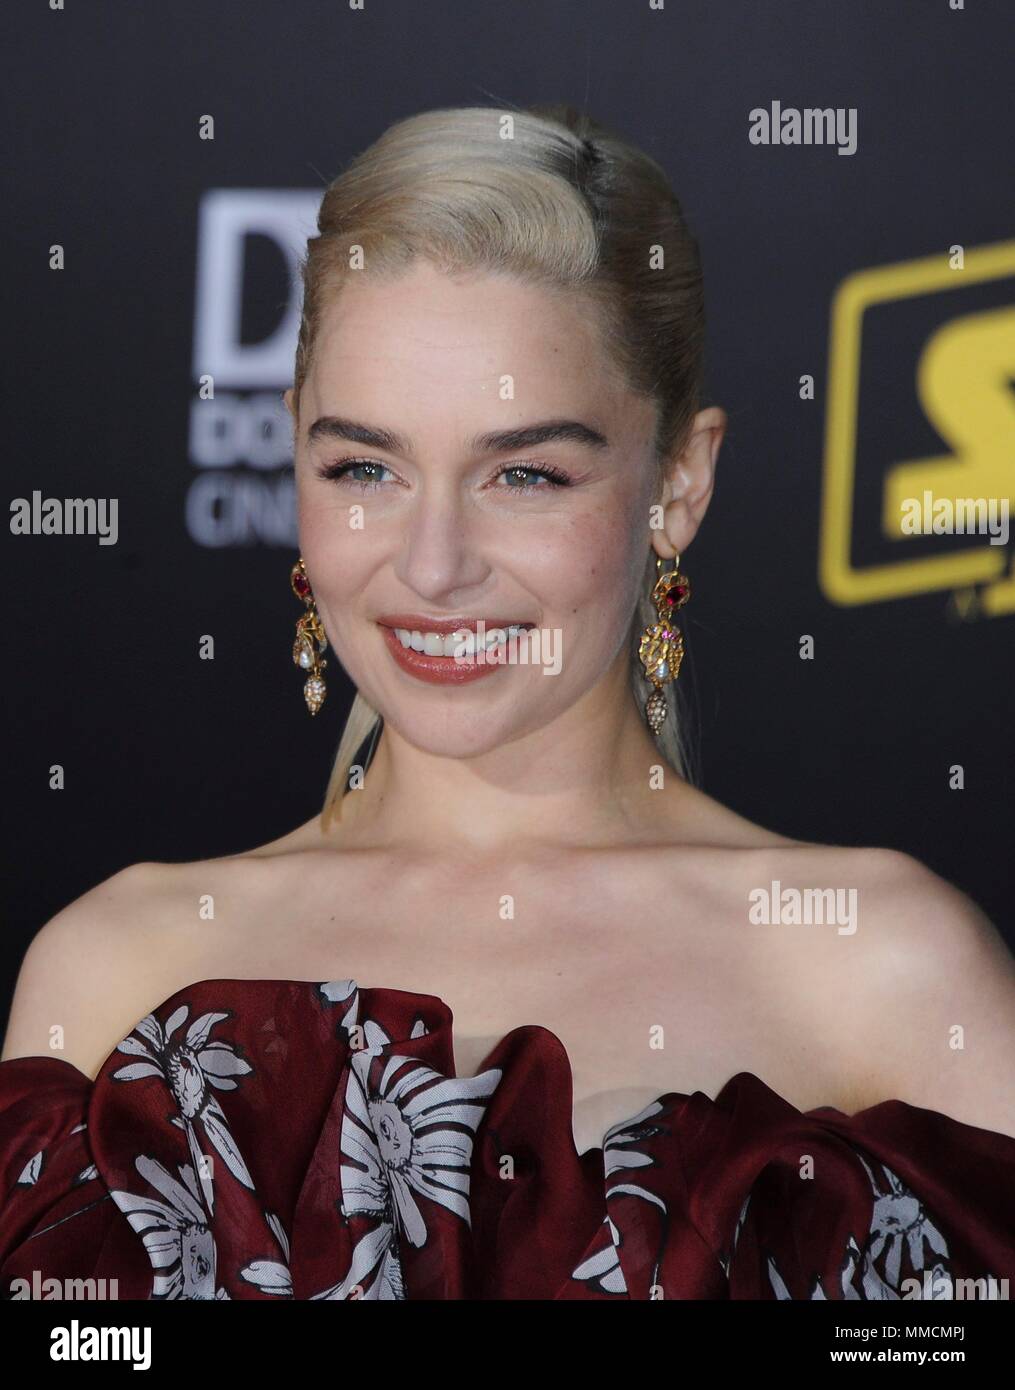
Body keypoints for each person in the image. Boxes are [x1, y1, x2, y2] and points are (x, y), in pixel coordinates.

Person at [2, 103, 1014, 1302]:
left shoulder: (880, 965)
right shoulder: (114, 968)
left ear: (677, 483)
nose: (433, 565)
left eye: (524, 472)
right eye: (364, 468)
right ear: (293, 461)